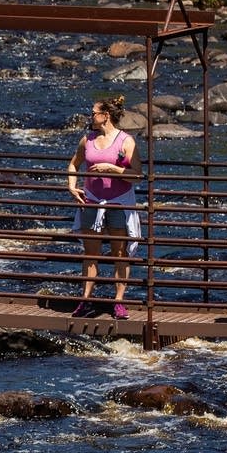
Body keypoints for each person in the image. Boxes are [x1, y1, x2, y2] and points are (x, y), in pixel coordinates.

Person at [65, 96, 140, 319]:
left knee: (119, 252)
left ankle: (118, 302)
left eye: (93, 112)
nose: (90, 116)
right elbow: (73, 164)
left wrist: (112, 168)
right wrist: (72, 186)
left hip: (118, 202)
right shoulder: (87, 139)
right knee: (91, 253)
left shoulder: (126, 141)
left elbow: (137, 175)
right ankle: (86, 300)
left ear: (105, 116)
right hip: (92, 200)